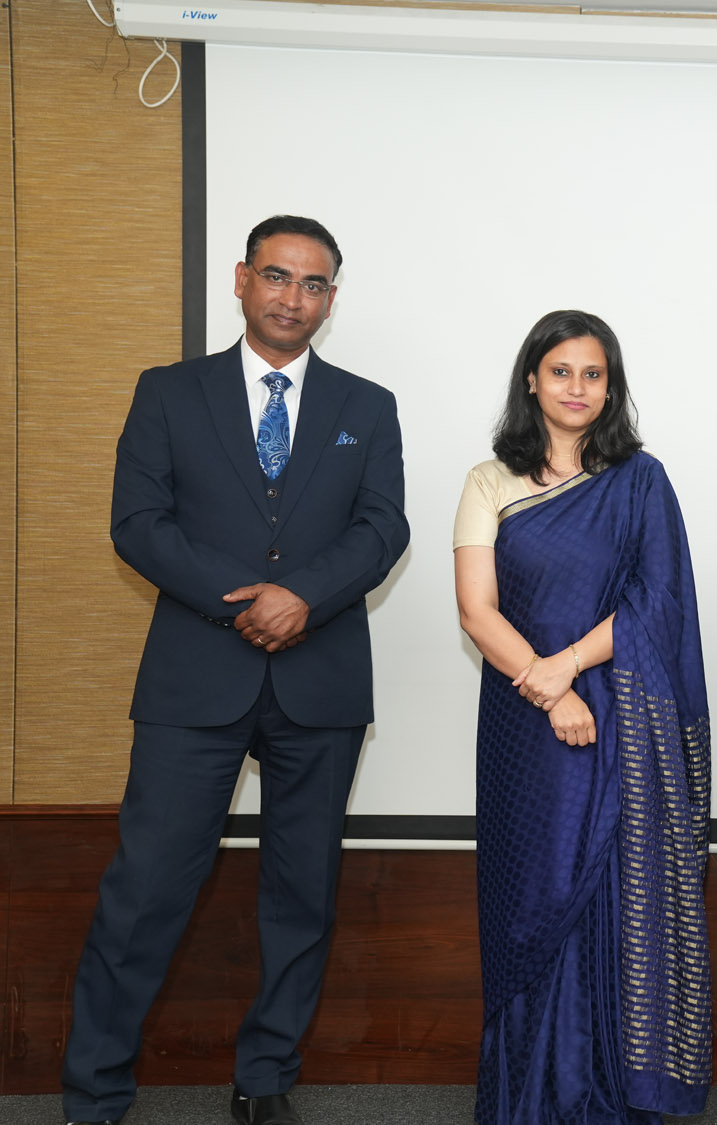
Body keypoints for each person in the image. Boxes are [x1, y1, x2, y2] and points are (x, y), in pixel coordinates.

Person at [61, 216, 409, 1125]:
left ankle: (265, 1077)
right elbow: (138, 523)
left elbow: (383, 527)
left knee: (302, 895)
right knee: (144, 892)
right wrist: (248, 598)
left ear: (332, 299)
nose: (294, 297)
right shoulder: (168, 392)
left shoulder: (367, 405)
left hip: (320, 681)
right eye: (278, 276)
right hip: (193, 680)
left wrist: (304, 596)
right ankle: (94, 1092)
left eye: (314, 283)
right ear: (242, 279)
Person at [454, 309, 712, 1124]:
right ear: (532, 378)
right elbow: (476, 609)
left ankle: (610, 1091)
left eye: (593, 374)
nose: (577, 387)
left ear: (611, 386)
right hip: (522, 725)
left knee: (614, 895)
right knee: (530, 896)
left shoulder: (641, 480)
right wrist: (547, 687)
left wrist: (567, 667)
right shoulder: (488, 480)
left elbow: (658, 603)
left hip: (620, 719)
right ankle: (528, 1095)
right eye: (561, 371)